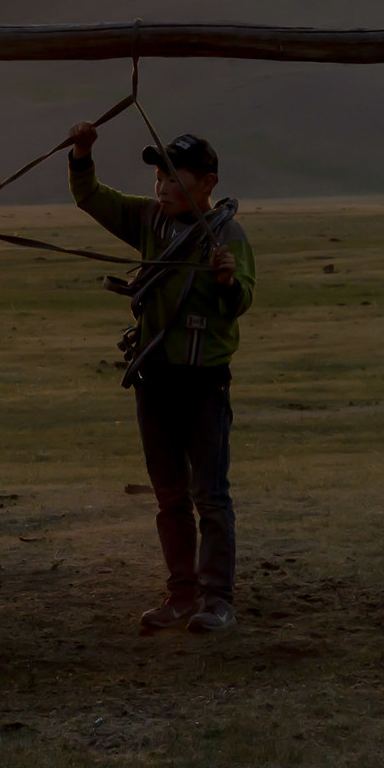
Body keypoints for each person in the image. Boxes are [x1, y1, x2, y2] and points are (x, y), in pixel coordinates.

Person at [65, 123, 256, 633]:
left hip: (204, 385)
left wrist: (226, 281)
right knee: (170, 495)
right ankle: (181, 595)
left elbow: (241, 303)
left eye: (175, 178)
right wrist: (82, 152)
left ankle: (218, 600)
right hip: (154, 381)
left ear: (207, 182)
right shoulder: (147, 219)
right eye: (158, 177)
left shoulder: (229, 235)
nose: (162, 187)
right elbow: (89, 195)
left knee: (210, 496)